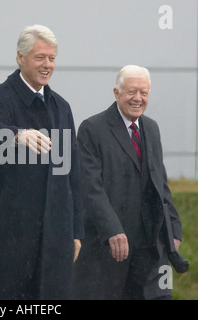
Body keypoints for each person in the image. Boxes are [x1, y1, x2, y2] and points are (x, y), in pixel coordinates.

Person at [0, 25, 83, 300]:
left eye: (51, 58)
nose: (47, 65)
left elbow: (72, 174)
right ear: (20, 57)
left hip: (53, 235)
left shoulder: (61, 107)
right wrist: (17, 135)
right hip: (5, 237)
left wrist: (76, 231)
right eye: (40, 57)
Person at [73, 65, 183, 300]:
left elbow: (160, 185)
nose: (138, 98)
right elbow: (91, 188)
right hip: (109, 247)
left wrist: (173, 229)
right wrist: (113, 230)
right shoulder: (92, 129)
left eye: (144, 92)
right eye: (132, 91)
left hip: (148, 247)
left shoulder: (151, 128)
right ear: (116, 93)